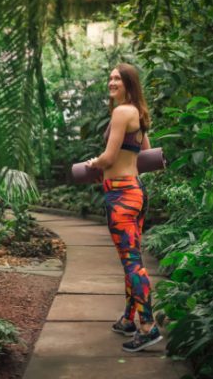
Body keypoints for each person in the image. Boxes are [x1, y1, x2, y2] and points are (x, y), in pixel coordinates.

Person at [86, 62, 163, 352]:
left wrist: (92, 164)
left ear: (129, 83)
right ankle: (130, 319)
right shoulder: (139, 114)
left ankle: (148, 326)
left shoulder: (121, 112)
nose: (111, 82)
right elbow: (147, 156)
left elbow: (107, 158)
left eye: (118, 78)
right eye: (110, 77)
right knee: (130, 258)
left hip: (120, 195)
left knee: (132, 262)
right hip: (135, 193)